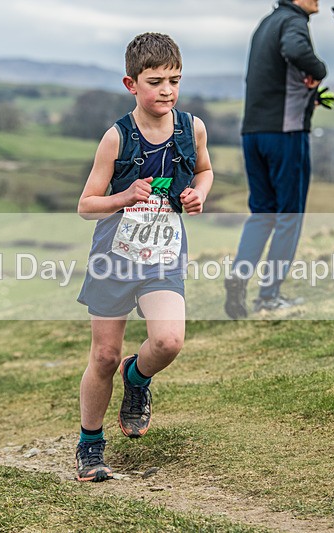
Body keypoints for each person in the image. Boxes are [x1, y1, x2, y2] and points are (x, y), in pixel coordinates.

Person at [74, 32, 214, 482]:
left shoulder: (192, 129)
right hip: (115, 256)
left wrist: (197, 195)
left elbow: (206, 170)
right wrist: (122, 197)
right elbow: (85, 204)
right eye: (155, 81)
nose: (167, 90)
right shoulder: (116, 138)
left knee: (169, 341)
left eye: (174, 79)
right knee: (104, 356)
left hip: (164, 255)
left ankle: (137, 379)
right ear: (131, 84)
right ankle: (90, 445)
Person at [224, 0, 327, 319]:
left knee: (262, 213)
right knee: (289, 215)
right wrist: (319, 71)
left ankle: (240, 275)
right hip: (285, 133)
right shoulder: (294, 21)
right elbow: (295, 49)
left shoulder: (265, 24)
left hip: (252, 133)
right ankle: (269, 296)